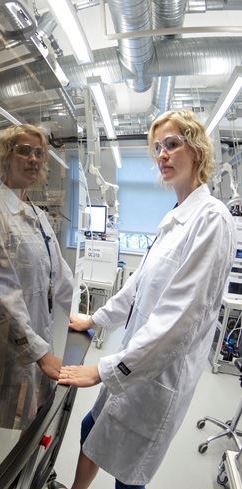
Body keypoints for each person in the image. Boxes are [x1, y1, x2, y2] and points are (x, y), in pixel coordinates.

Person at [59, 110, 236, 489]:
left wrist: (104, 370)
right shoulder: (175, 217)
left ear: (198, 150)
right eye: (157, 148)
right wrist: (97, 320)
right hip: (137, 357)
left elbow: (180, 320)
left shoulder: (212, 219)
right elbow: (138, 285)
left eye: (172, 144)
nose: (163, 155)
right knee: (92, 429)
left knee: (130, 473)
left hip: (159, 375)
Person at [0, 124, 74, 485]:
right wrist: (40, 351)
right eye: (23, 151)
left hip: (38, 326)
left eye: (38, 153)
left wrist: (79, 313)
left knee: (31, 406)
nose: (32, 159)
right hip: (7, 334)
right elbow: (3, 288)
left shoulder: (37, 213)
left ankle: (20, 468)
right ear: (5, 157)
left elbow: (58, 272)